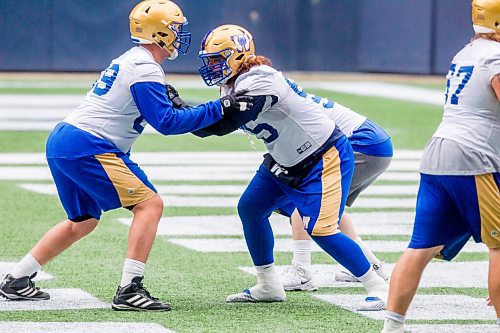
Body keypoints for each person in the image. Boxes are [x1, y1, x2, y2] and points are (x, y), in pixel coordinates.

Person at [0, 0, 252, 312]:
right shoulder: (144, 66)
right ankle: (129, 289)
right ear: (159, 32)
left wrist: (192, 107)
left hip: (66, 140)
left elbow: (159, 114)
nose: (179, 34)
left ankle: (17, 279)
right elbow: (167, 123)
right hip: (88, 144)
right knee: (150, 205)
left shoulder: (134, 60)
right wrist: (220, 107)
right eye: (174, 28)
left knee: (83, 221)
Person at [190, 24, 389, 310]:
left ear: (237, 55)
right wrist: (176, 113)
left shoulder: (260, 79)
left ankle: (378, 286)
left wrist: (176, 114)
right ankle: (269, 284)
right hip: (285, 159)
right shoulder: (232, 83)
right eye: (209, 60)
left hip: (322, 156)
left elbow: (220, 125)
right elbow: (210, 123)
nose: (211, 66)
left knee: (321, 228)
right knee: (251, 207)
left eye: (216, 59)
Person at [381, 0, 500, 331]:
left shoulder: (465, 53)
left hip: (438, 156)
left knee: (420, 248)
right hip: (472, 157)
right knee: (499, 246)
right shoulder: (495, 57)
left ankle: (391, 326)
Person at [274, 94, 392, 291]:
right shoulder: (279, 90)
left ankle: (301, 270)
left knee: (306, 200)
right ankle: (371, 264)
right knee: (328, 207)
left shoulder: (273, 98)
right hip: (373, 142)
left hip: (360, 142)